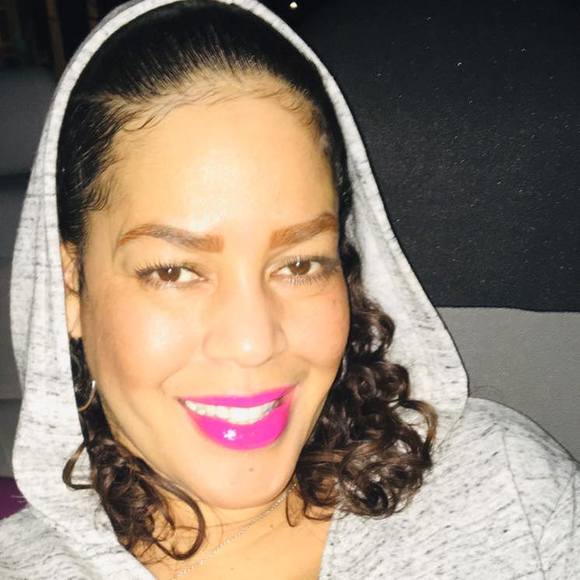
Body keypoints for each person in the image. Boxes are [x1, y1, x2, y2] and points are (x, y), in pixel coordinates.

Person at [0, 0, 578, 578]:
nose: (254, 342)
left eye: (299, 264)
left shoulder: (506, 488)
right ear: (72, 285)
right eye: (174, 271)